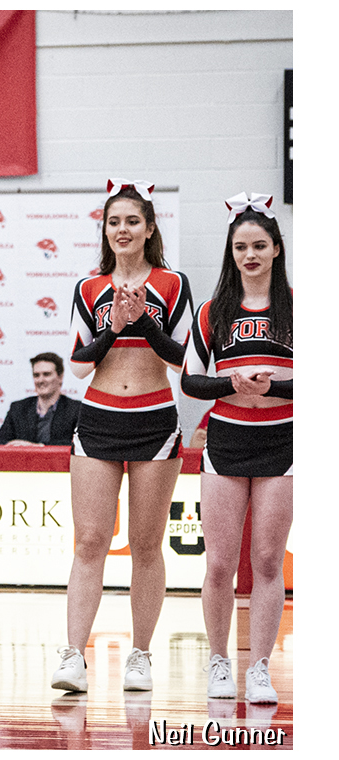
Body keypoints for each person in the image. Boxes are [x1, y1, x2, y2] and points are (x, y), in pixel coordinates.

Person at [52, 179, 193, 693]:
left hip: (155, 419)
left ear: (150, 228)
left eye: (133, 221)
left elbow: (183, 361)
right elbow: (79, 366)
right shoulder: (88, 288)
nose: (123, 230)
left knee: (146, 544)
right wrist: (112, 325)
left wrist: (143, 322)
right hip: (98, 419)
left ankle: (140, 654)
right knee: (90, 540)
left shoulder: (173, 284)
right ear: (105, 230)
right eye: (114, 222)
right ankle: (73, 655)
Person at [181, 192, 292, 703]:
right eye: (240, 246)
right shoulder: (212, 312)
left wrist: (273, 388)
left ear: (275, 249)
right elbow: (191, 382)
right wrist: (233, 385)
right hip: (226, 442)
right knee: (220, 563)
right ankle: (220, 661)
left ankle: (261, 667)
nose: (250, 255)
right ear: (231, 252)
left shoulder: (298, 306)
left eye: (259, 245)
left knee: (268, 561)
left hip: (283, 442)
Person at [0, 352, 82, 446]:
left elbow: (79, 446)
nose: (41, 380)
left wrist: (37, 447)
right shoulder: (18, 408)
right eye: (36, 375)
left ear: (60, 377)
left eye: (46, 374)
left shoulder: (76, 410)